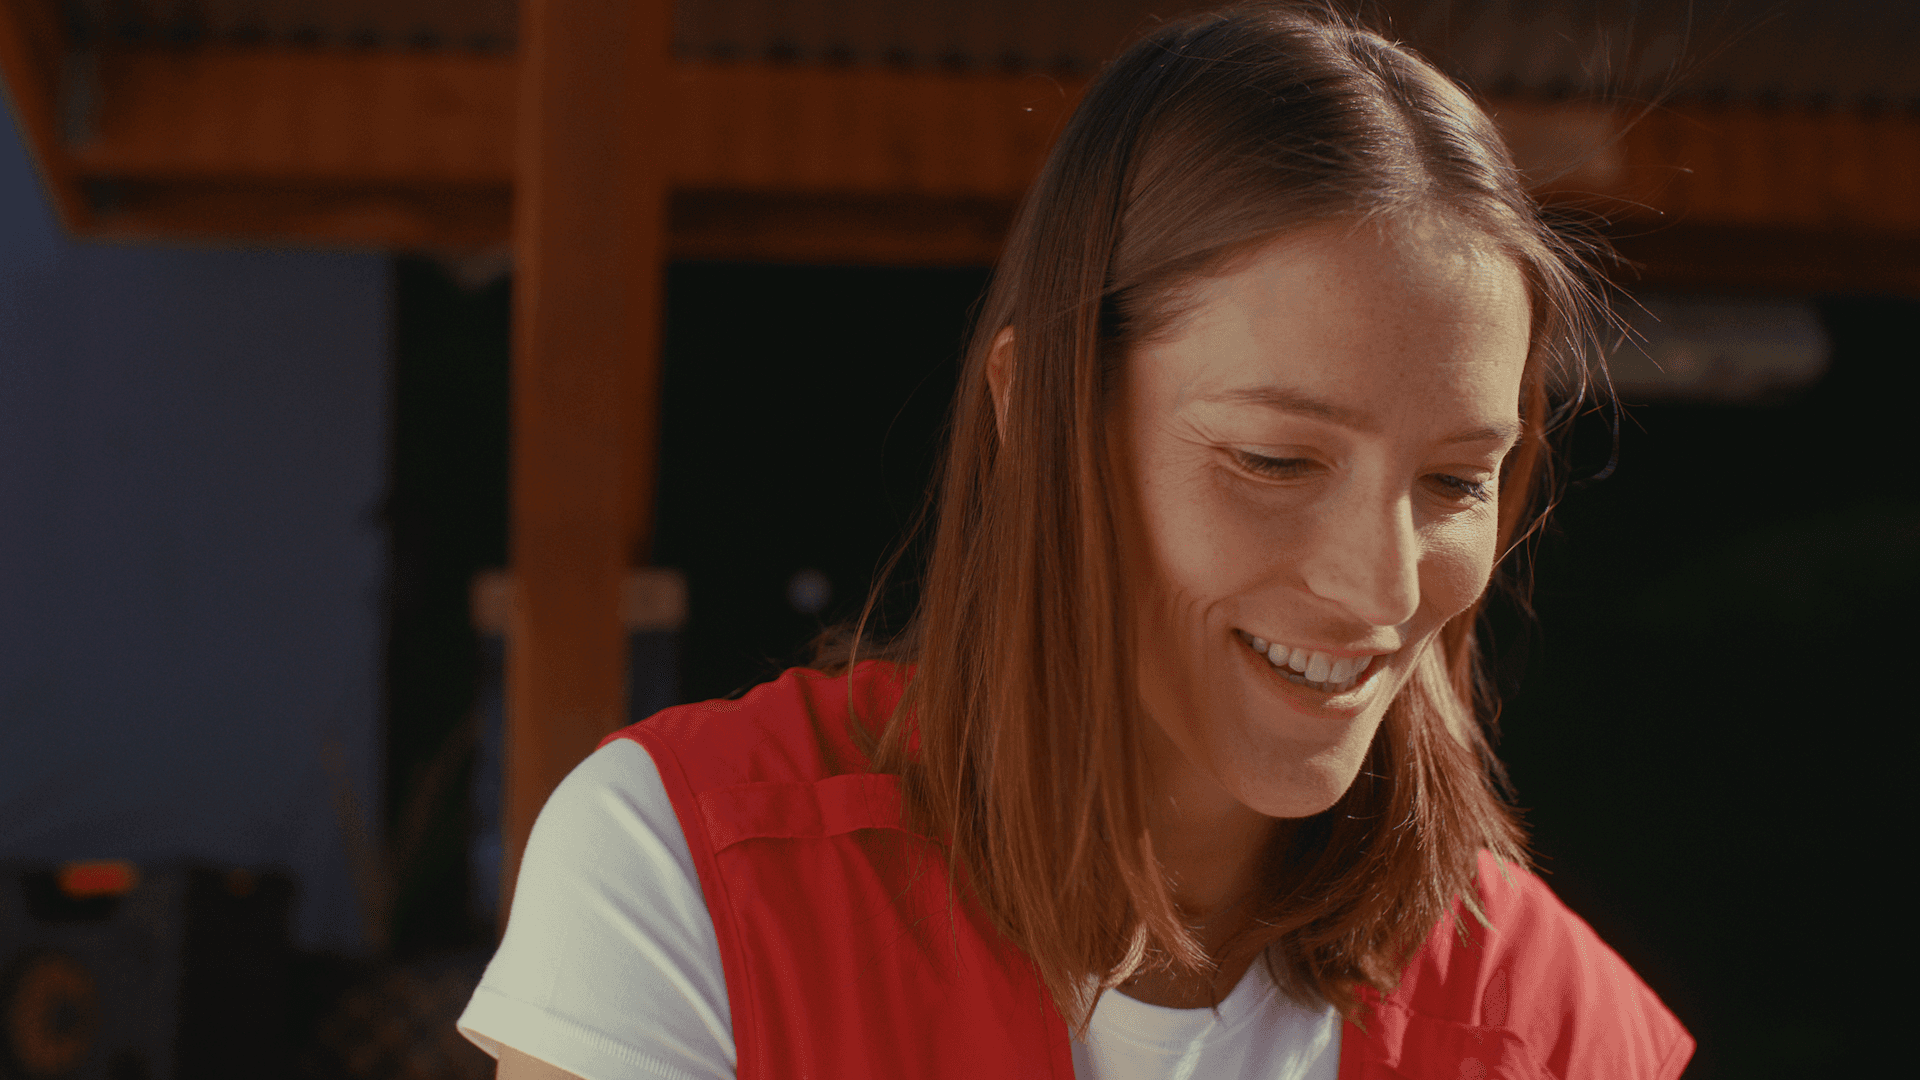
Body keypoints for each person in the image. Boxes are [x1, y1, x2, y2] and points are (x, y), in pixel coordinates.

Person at [459, 3, 1694, 1078]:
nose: (1380, 583)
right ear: (1042, 411)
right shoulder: (691, 871)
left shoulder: (1560, 1027)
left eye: (1455, 481)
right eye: (1276, 462)